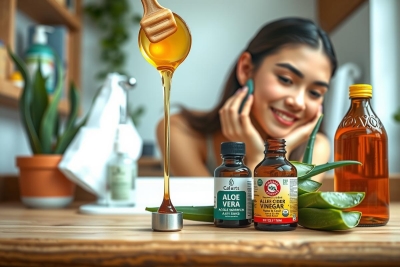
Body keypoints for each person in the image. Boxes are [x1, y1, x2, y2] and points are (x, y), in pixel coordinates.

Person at [156, 17, 337, 182]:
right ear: (247, 69)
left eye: (314, 93)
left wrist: (272, 156)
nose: (298, 102)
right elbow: (224, 213)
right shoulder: (179, 130)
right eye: (286, 79)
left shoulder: (316, 148)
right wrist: (260, 158)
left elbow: (275, 217)